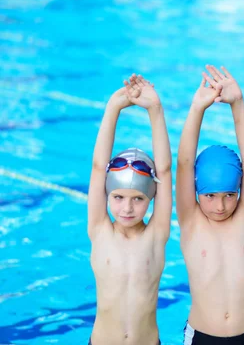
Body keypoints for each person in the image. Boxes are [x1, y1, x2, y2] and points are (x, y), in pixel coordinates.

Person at [176, 65, 244, 344]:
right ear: (197, 192)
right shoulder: (191, 221)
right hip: (201, 336)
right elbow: (185, 163)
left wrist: (237, 103)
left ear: (240, 191)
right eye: (210, 196)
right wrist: (197, 108)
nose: (221, 206)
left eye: (229, 195)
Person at [88, 74, 172, 345]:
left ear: (151, 198)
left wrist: (155, 110)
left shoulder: (156, 236)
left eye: (138, 199)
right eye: (118, 197)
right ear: (107, 194)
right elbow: (99, 166)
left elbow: (166, 171)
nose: (126, 208)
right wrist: (113, 108)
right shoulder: (99, 231)